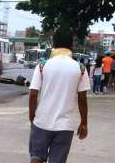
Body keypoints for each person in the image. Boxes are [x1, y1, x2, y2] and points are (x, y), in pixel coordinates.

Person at [29, 28, 90, 163]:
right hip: (65, 126)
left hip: (42, 122)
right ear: (72, 45)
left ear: (53, 44)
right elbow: (82, 99)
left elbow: (33, 94)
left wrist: (32, 118)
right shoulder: (80, 68)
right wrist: (84, 123)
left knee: (36, 158)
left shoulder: (42, 66)